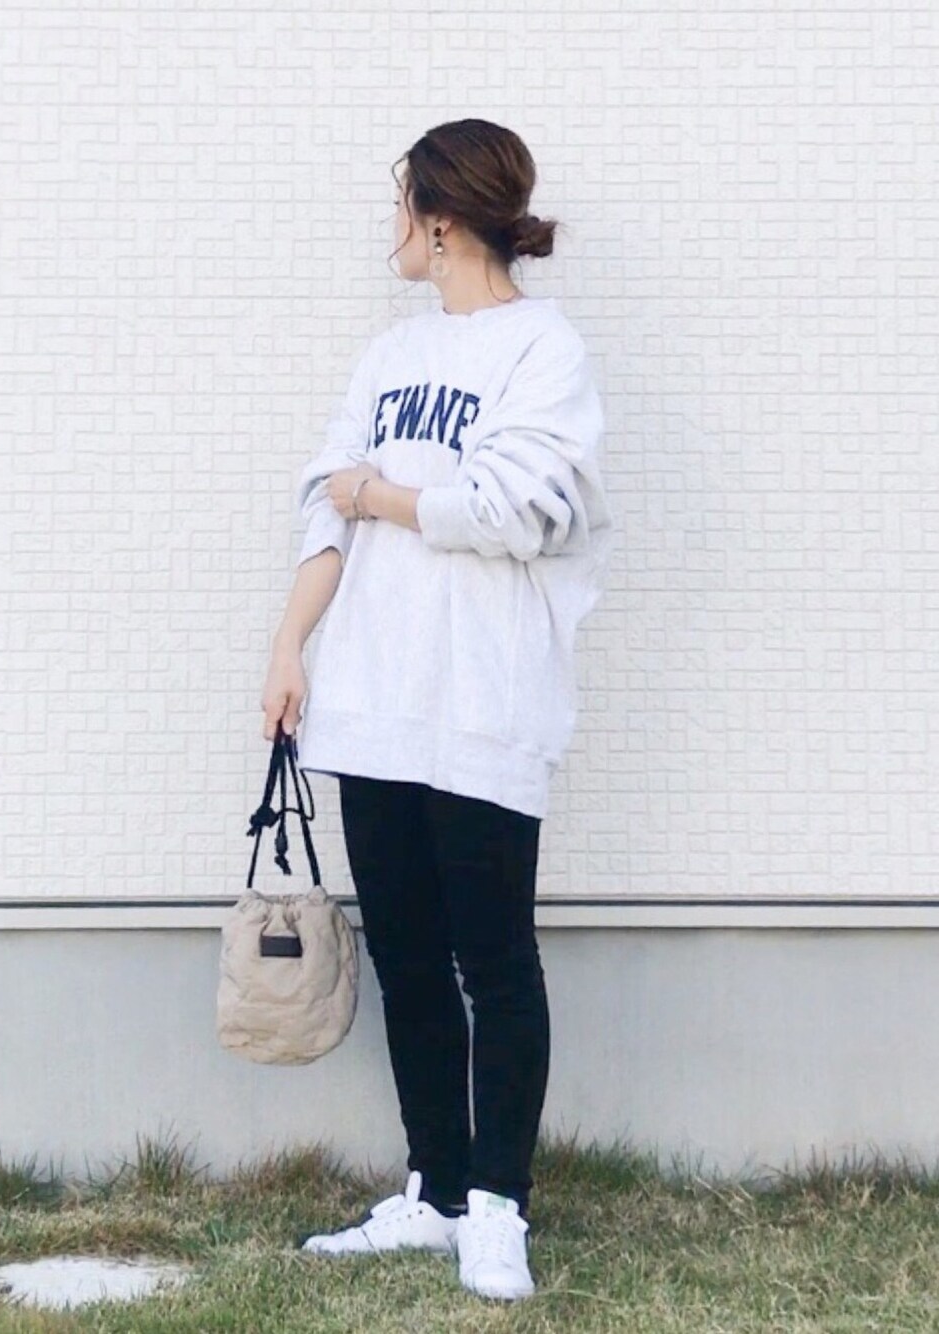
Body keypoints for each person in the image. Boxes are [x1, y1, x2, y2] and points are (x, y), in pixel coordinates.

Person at [260, 118, 615, 1304]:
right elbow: (326, 501)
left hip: (481, 703)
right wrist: (289, 645)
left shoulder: (543, 350)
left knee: (494, 957)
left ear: (443, 219)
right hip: (371, 698)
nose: (394, 228)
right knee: (408, 954)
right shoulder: (388, 354)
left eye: (402, 205)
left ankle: (499, 1206)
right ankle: (436, 1188)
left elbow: (516, 510)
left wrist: (382, 492)